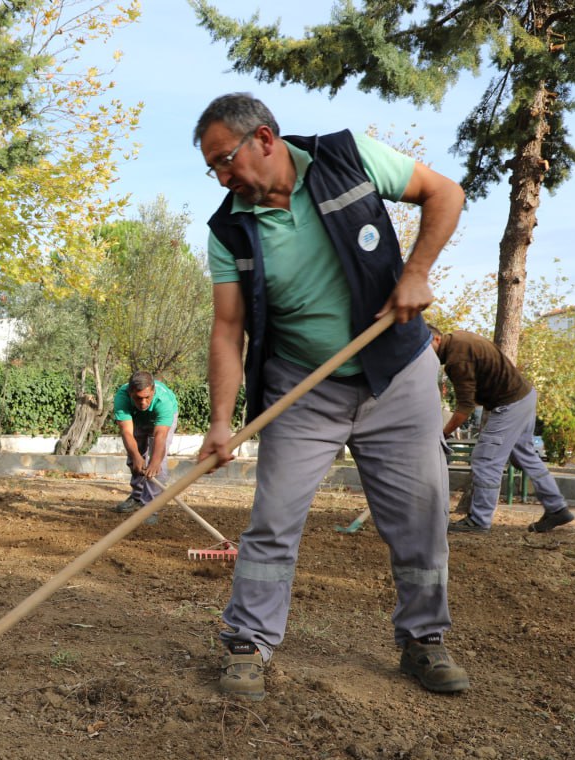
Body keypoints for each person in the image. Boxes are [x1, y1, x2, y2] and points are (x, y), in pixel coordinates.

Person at [194, 92, 469, 699]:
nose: (221, 177)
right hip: (302, 388)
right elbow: (228, 330)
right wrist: (220, 422)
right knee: (273, 519)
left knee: (421, 517)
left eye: (225, 160)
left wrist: (416, 272)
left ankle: (424, 640)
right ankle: (248, 641)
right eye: (211, 168)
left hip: (397, 374)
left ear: (264, 139)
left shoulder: (349, 157)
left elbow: (445, 193)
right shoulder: (228, 230)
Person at [430, 326, 575, 534]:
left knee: (485, 459)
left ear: (436, 339)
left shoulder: (456, 359)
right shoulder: (459, 339)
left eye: (425, 348)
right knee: (525, 456)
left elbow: (465, 407)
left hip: (510, 403)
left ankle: (479, 520)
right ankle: (557, 508)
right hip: (524, 396)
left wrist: (443, 434)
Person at [111, 371, 178, 524]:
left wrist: (155, 461)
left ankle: (150, 507)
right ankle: (137, 497)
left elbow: (160, 435)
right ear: (130, 393)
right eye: (138, 398)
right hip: (136, 418)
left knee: (158, 466)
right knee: (134, 458)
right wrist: (136, 456)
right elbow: (126, 432)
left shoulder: (164, 401)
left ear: (153, 391)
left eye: (147, 397)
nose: (143, 403)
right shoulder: (122, 398)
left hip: (161, 421)